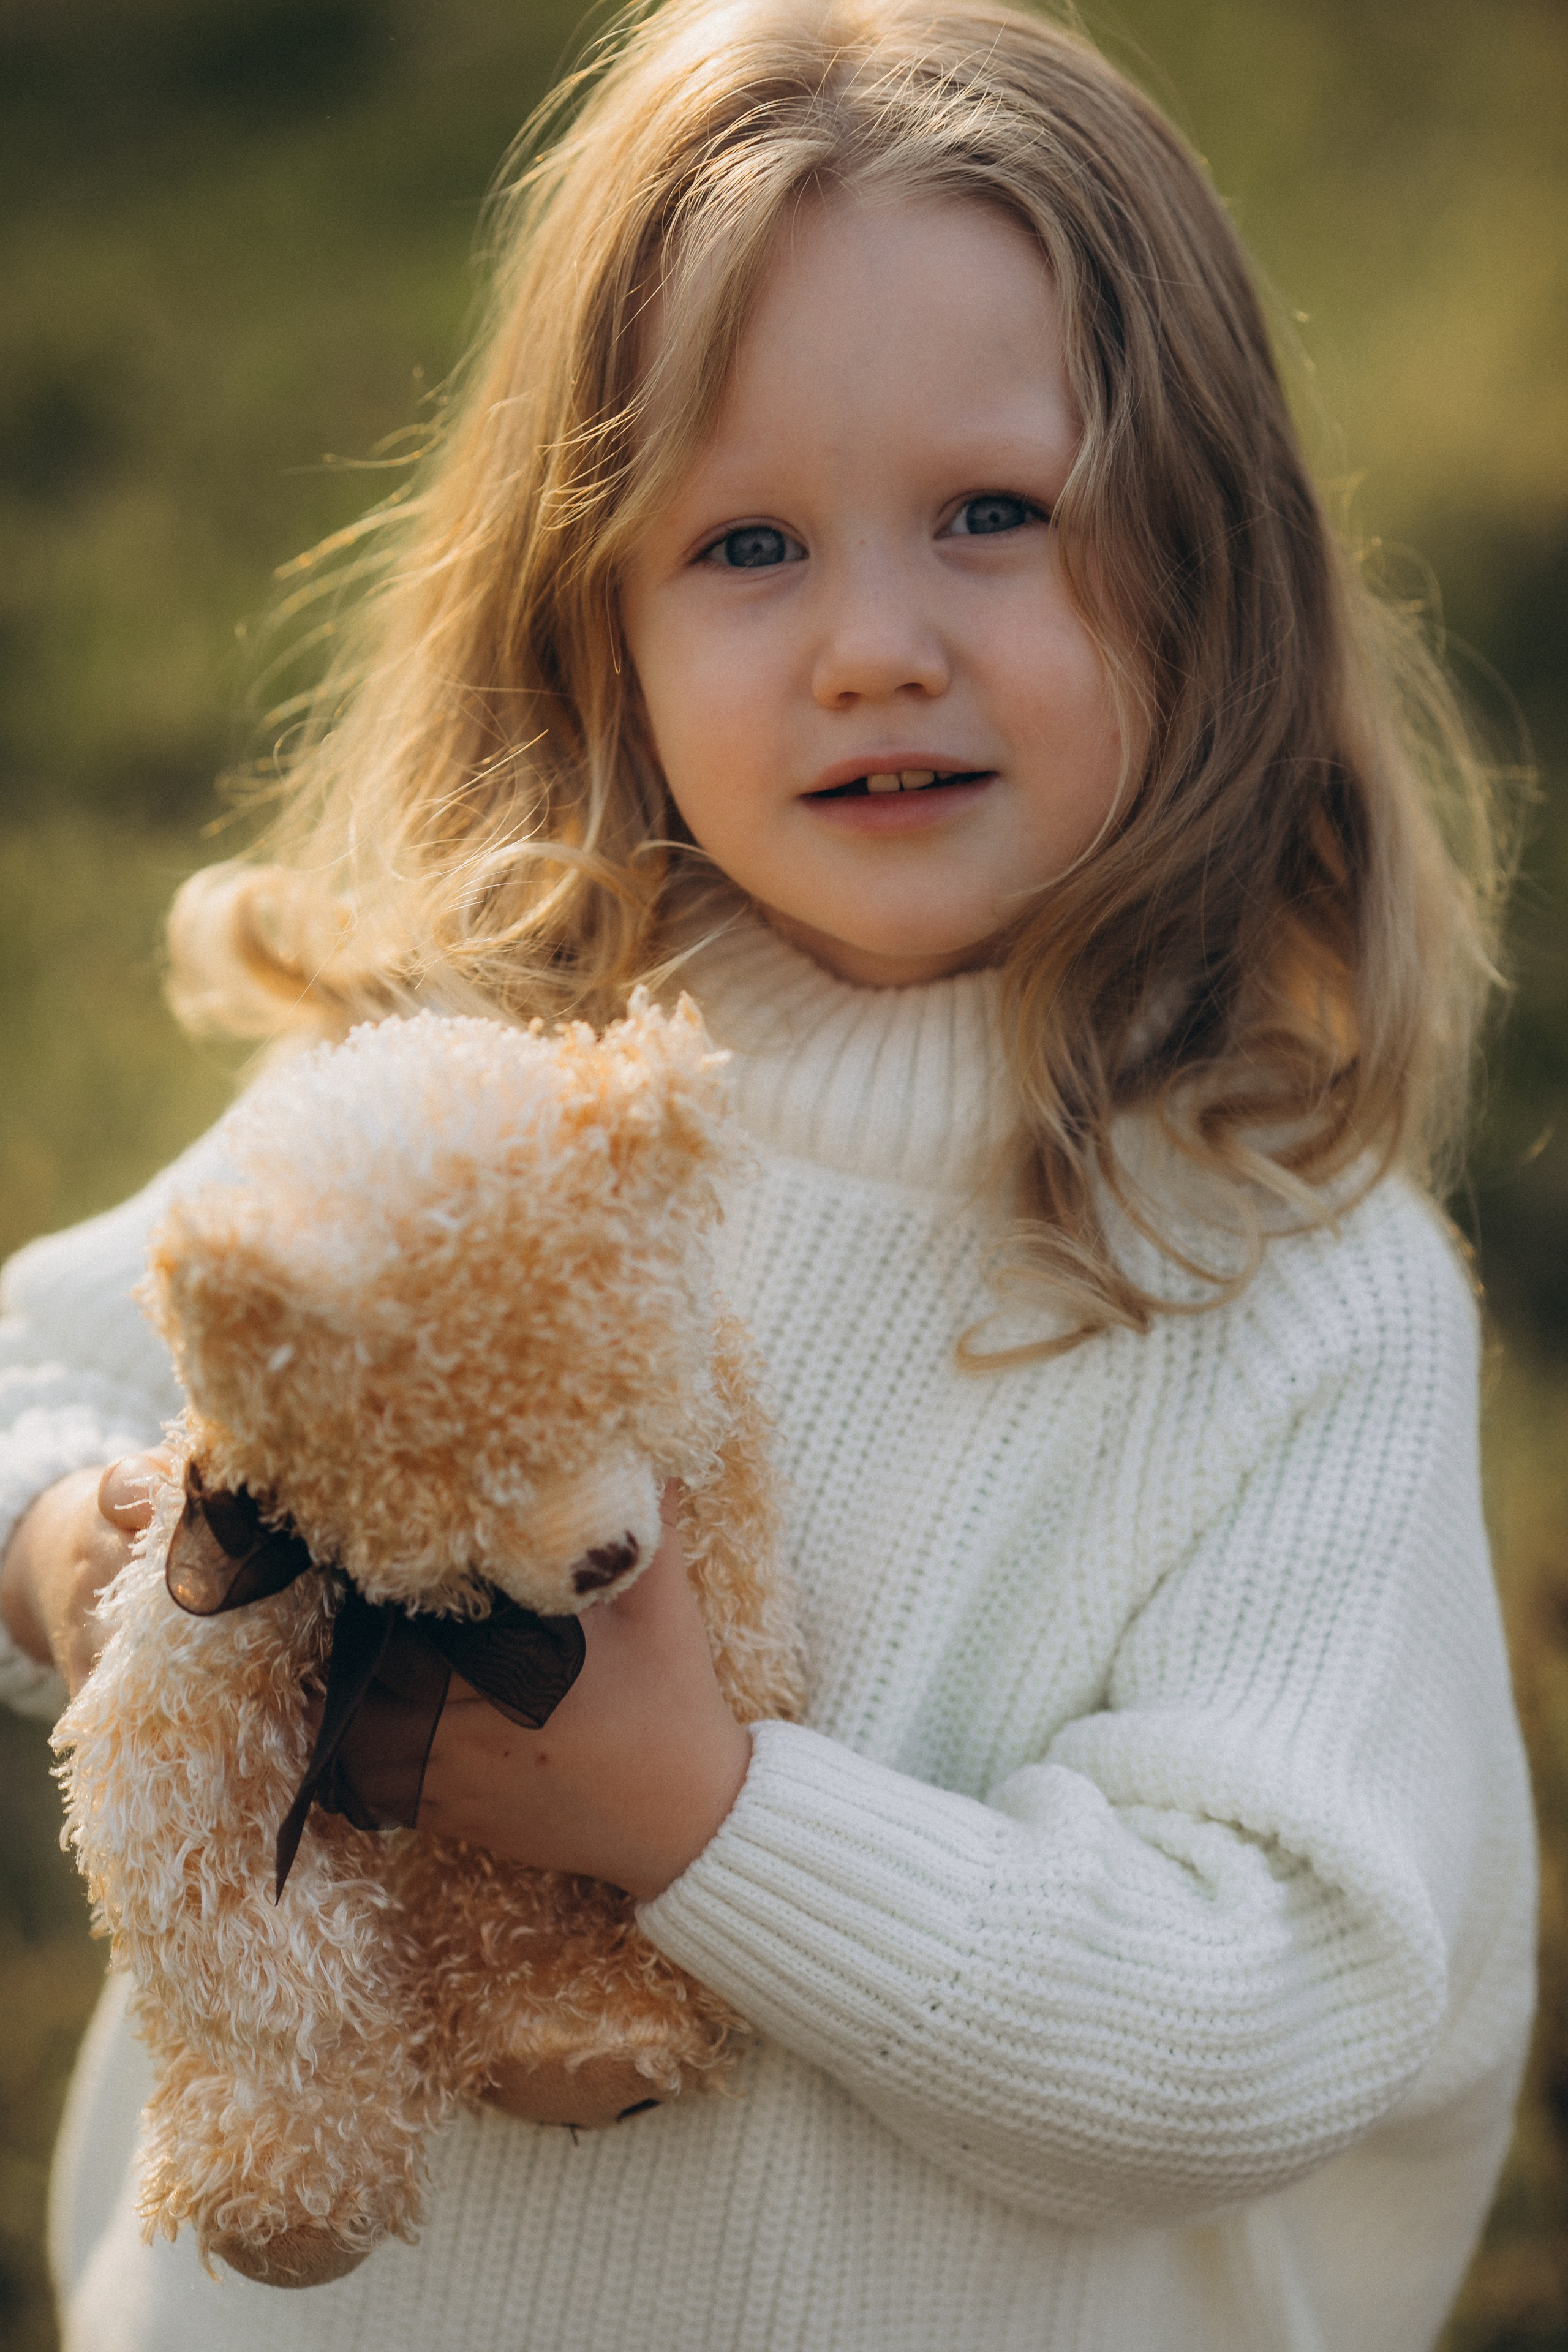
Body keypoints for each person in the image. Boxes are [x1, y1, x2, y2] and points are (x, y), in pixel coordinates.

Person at [0, 1, 1535, 2345]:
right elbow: (35, 1361)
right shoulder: (472, 1091)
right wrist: (79, 1550)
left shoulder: (1286, 1285)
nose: (874, 648)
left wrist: (702, 1816)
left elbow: (1270, 2005)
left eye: (993, 515)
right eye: (744, 545)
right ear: (592, 622)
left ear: (1209, 561)